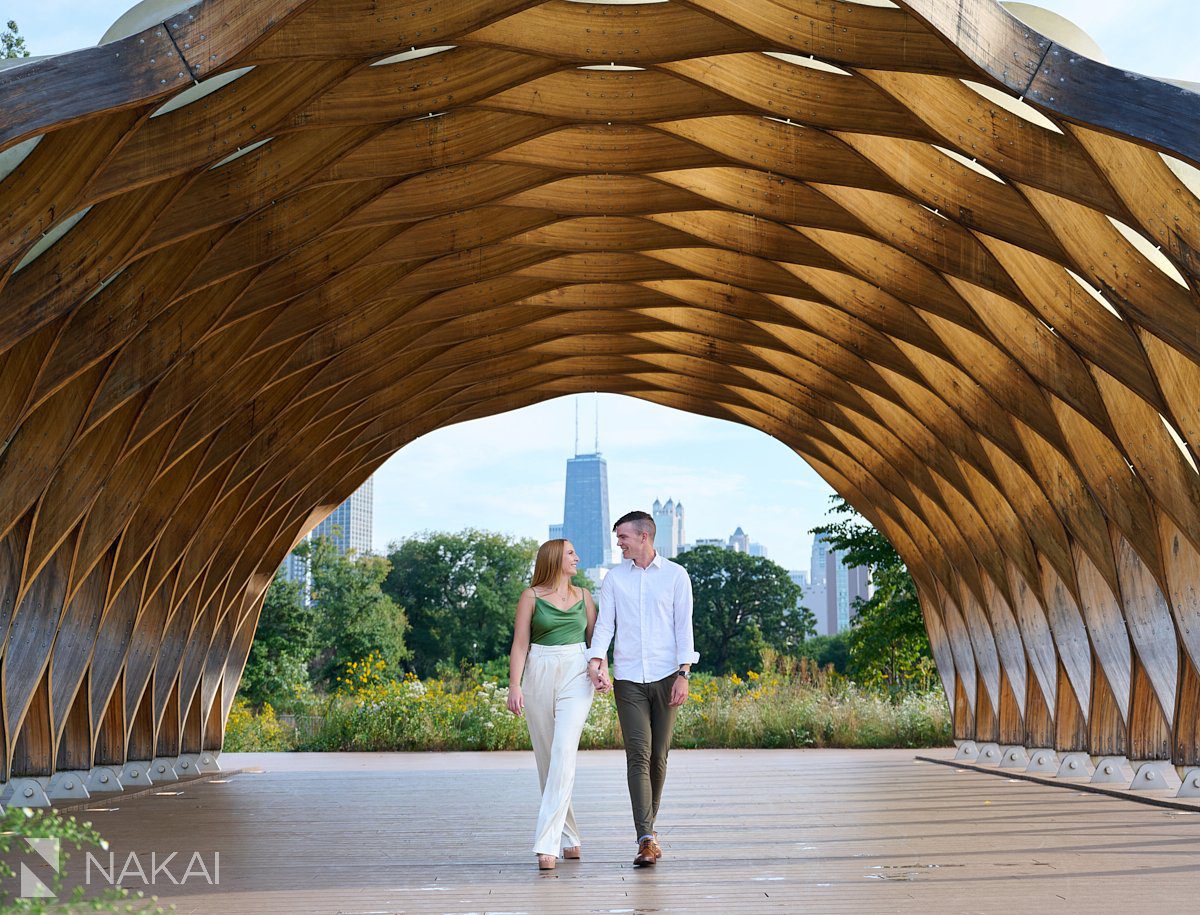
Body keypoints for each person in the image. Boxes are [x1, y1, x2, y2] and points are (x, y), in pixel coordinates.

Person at [588, 510, 698, 867]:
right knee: (637, 753)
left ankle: (649, 828)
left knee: (658, 757)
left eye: (622, 538)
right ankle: (645, 838)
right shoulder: (614, 579)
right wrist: (596, 661)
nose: (618, 543)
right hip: (630, 679)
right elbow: (605, 626)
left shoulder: (676, 576)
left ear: (643, 537)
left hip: (668, 675)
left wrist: (685, 673)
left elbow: (685, 627)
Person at [506, 539, 597, 870]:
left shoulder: (585, 597)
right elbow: (519, 645)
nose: (578, 557)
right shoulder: (530, 597)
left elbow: (595, 643)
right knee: (548, 759)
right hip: (538, 673)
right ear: (555, 558)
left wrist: (600, 670)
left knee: (562, 752)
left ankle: (547, 842)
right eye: (571, 553)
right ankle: (571, 837)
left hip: (576, 671)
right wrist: (514, 686)